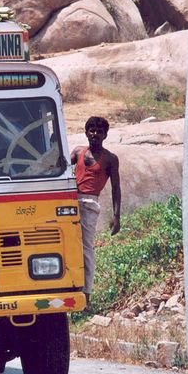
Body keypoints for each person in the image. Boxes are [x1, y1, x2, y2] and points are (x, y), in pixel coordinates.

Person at [70, 116, 121, 307]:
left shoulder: (110, 159)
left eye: (99, 131)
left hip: (89, 204)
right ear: (86, 132)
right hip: (69, 201)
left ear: (105, 135)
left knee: (86, 248)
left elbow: (116, 188)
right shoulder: (77, 152)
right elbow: (61, 169)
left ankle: (86, 294)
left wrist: (116, 216)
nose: (95, 134)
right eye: (92, 130)